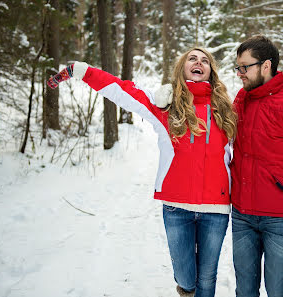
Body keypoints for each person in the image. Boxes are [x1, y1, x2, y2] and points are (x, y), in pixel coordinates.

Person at [47, 47, 237, 297]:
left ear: (211, 71)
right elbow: (123, 90)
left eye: (205, 60)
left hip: (216, 208)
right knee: (186, 277)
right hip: (176, 206)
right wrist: (83, 71)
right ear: (182, 68)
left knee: (207, 277)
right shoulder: (165, 107)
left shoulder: (226, 110)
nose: (198, 62)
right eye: (192, 58)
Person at [230, 35, 283, 297]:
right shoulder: (241, 100)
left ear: (266, 66)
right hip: (242, 214)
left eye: (245, 67)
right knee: (245, 290)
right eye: (238, 67)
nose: (240, 74)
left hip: (278, 218)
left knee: (278, 291)